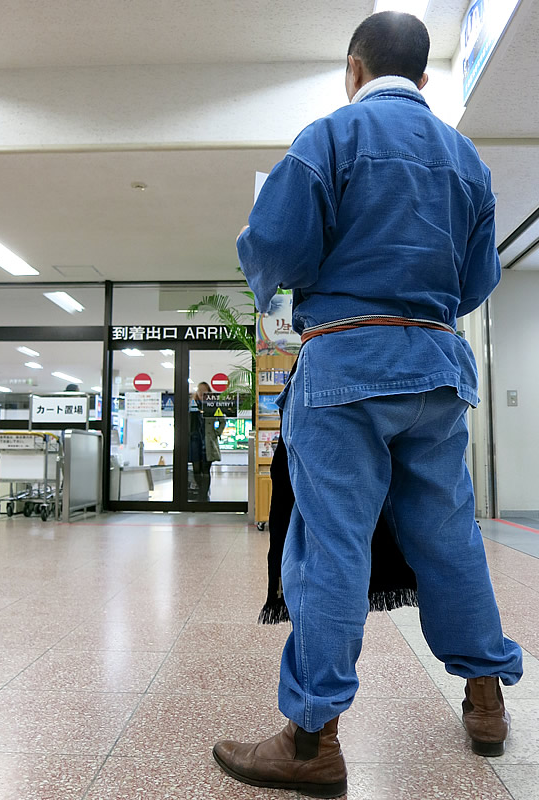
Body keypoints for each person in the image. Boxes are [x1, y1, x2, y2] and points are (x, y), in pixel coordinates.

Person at [213, 11, 523, 799]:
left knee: (330, 546)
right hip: (437, 370)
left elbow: (273, 244)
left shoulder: (330, 138)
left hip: (346, 363)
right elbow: (478, 278)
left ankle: (312, 739)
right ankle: (486, 700)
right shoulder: (466, 159)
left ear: (354, 70)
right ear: (423, 80)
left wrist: (293, 276)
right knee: (450, 537)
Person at [188, 381, 225, 501]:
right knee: (196, 468)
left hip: (207, 441)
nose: (201, 394)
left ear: (208, 393)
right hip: (194, 440)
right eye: (199, 391)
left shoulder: (212, 406)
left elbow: (222, 421)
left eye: (204, 391)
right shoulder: (192, 405)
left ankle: (203, 496)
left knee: (205, 469)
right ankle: (201, 490)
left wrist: (216, 433)